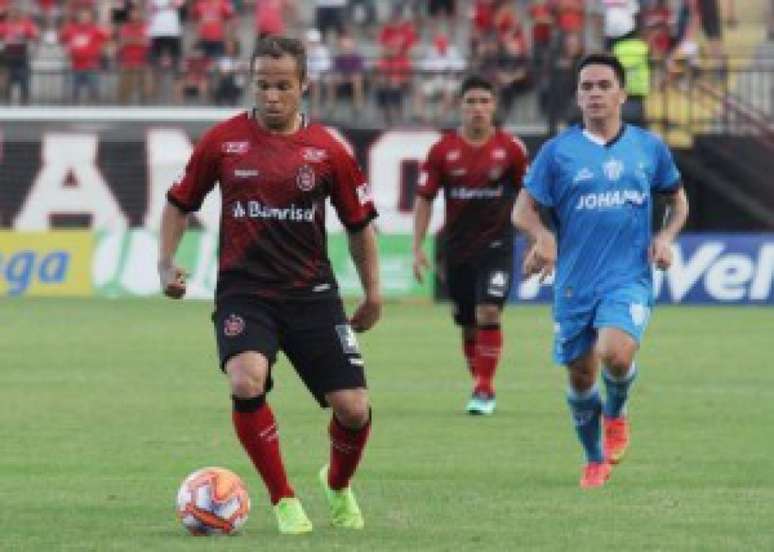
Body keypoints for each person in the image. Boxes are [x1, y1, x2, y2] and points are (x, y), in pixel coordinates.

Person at [158, 36, 381, 534]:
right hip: (245, 290)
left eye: (283, 86)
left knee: (353, 409)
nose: (272, 95)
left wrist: (372, 292)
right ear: (251, 83)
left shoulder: (328, 152)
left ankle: (338, 484)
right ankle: (284, 500)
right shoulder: (222, 142)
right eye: (262, 84)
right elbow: (179, 203)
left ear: (304, 86)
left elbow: (360, 223)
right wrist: (165, 261)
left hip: (312, 295)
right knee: (246, 379)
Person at [512, 53, 689, 488]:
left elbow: (677, 202)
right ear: (577, 95)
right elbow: (523, 210)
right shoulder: (557, 153)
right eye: (586, 86)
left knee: (615, 352)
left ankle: (617, 410)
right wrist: (542, 236)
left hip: (627, 276)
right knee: (580, 372)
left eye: (603, 85)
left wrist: (664, 238)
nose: (594, 93)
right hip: (574, 281)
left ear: (621, 94)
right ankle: (594, 459)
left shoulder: (649, 148)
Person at [412, 75, 529, 415]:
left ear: (494, 106)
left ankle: (484, 388)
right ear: (460, 107)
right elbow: (424, 199)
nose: (477, 108)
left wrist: (538, 237)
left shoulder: (510, 149)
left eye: (484, 101)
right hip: (456, 248)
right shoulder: (442, 150)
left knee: (489, 311)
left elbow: (530, 195)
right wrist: (417, 247)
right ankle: (479, 383)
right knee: (468, 323)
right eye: (471, 102)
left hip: (497, 245)